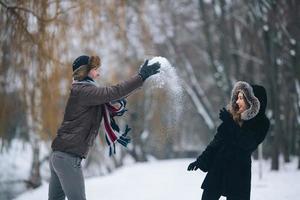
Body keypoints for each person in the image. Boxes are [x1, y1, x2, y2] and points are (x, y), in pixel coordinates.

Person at [48, 55, 160, 200]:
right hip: (68, 159)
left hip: (57, 156)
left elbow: (113, 96)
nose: (98, 73)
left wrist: (139, 79)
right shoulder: (85, 91)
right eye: (95, 69)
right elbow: (114, 92)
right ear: (85, 71)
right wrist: (141, 77)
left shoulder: (80, 90)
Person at [187, 81, 270, 200]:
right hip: (219, 168)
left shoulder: (262, 123)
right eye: (238, 98)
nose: (237, 101)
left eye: (242, 98)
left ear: (253, 101)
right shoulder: (234, 117)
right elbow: (216, 143)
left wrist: (230, 122)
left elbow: (247, 143)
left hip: (239, 173)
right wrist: (201, 160)